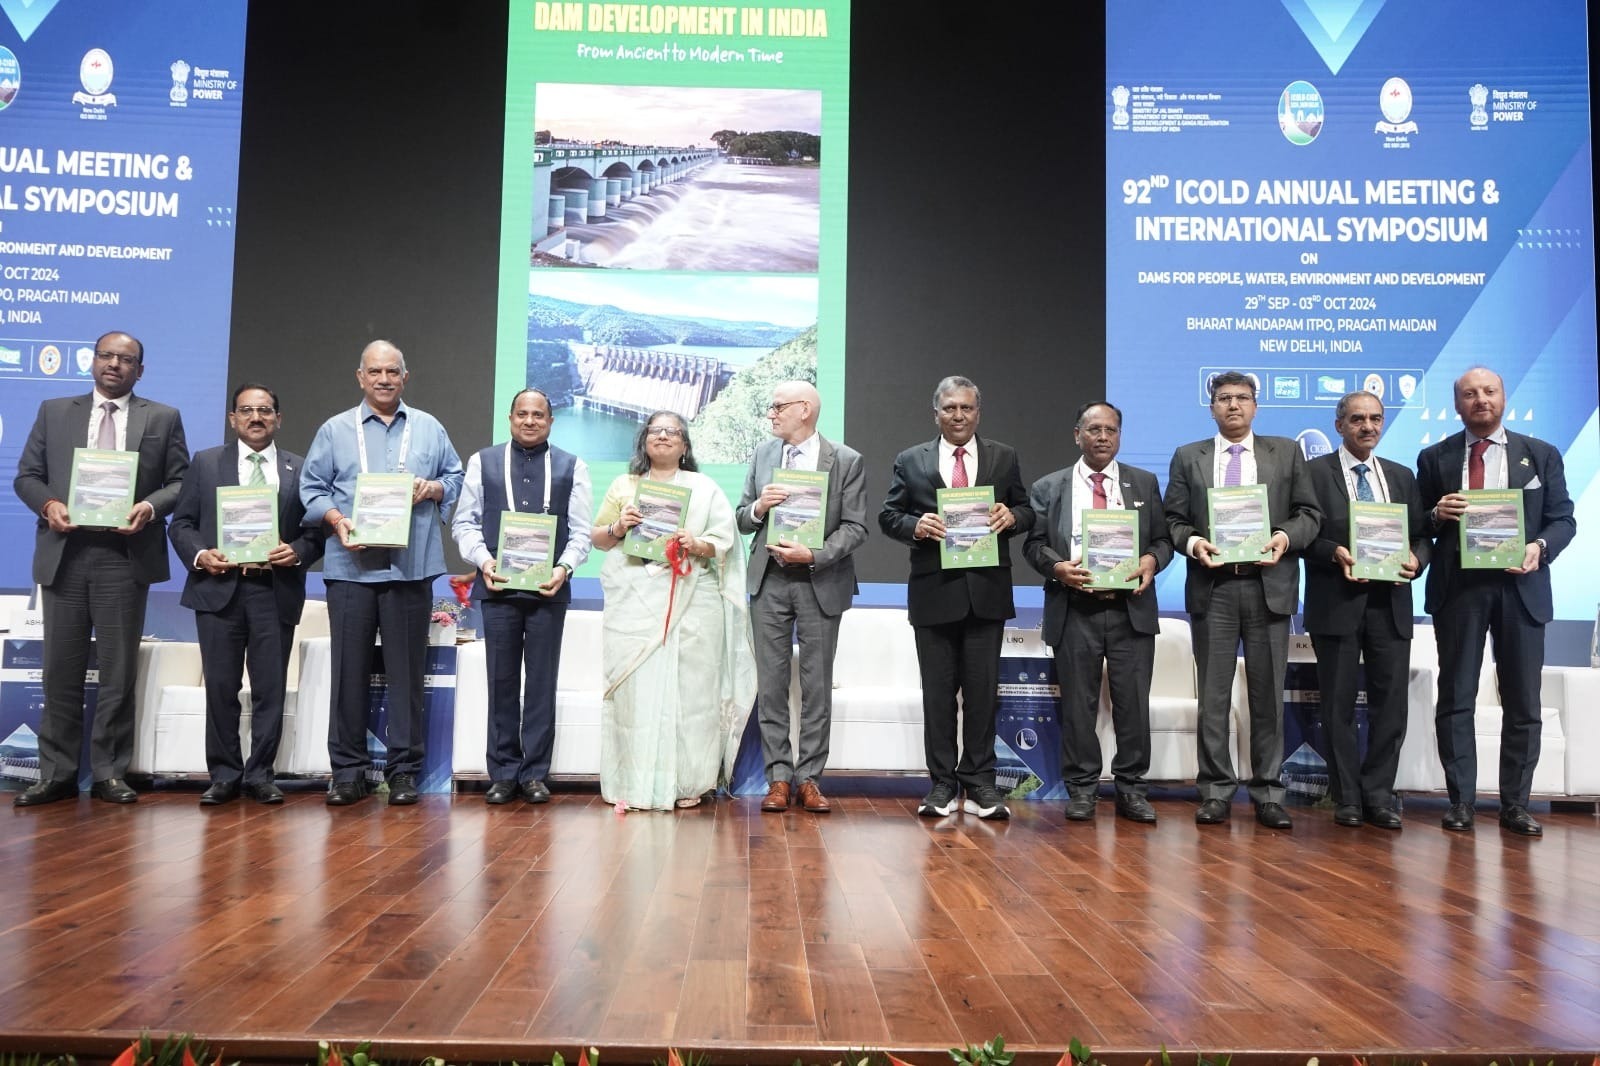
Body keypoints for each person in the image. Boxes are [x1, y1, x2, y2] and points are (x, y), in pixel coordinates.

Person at [12, 330, 189, 807]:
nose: (115, 364)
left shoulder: (163, 417)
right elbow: (27, 476)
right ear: (92, 361)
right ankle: (57, 774)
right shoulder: (54, 411)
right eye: (106, 356)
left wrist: (148, 508)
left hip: (124, 557)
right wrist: (49, 504)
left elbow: (180, 482)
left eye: (126, 359)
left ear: (140, 370)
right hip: (66, 553)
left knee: (117, 672)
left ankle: (110, 772)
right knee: (60, 671)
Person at [300, 340, 463, 807]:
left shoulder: (429, 427)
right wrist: (337, 520)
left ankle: (404, 772)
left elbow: (455, 478)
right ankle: (347, 773)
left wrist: (433, 488)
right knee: (348, 674)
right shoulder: (335, 430)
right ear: (360, 377)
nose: (384, 379)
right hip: (351, 568)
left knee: (407, 675)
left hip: (410, 569)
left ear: (405, 377)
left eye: (393, 371)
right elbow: (312, 489)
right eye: (375, 372)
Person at [1416, 366, 1575, 836]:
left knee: (1523, 701)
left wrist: (1539, 547)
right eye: (1470, 393)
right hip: (1459, 590)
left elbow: (1563, 519)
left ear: (1504, 398)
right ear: (1457, 404)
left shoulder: (1541, 454)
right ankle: (1461, 802)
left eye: (1489, 391)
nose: (1480, 399)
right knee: (1456, 697)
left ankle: (1516, 805)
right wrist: (1435, 514)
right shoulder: (1435, 457)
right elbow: (1416, 523)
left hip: (1520, 589)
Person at [1164, 371, 1320, 829]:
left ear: (1256, 405)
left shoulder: (1285, 452)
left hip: (1268, 585)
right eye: (1224, 398)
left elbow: (1309, 514)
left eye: (1242, 398)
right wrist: (1195, 543)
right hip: (1213, 587)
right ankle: (1215, 791)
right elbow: (1172, 520)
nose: (1233, 405)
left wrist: (1283, 538)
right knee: (1213, 697)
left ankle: (1268, 791)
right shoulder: (1188, 456)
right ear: (1211, 406)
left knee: (1267, 696)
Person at [879, 376, 1034, 820]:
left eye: (966, 408)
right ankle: (942, 784)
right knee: (939, 695)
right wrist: (915, 526)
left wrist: (1012, 517)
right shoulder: (911, 459)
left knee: (983, 696)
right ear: (936, 414)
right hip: (934, 593)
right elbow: (889, 515)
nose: (959, 415)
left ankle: (981, 784)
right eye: (950, 408)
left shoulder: (1004, 457)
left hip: (987, 593)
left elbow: (1027, 510)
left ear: (978, 412)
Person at [589, 411, 756, 811]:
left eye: (672, 432)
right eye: (655, 430)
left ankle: (687, 781)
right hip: (634, 603)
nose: (663, 436)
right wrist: (619, 527)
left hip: (694, 602)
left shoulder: (704, 488)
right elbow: (598, 539)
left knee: (692, 694)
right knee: (635, 695)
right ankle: (633, 783)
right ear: (644, 440)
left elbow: (724, 542)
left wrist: (695, 543)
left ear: (684, 445)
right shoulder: (624, 485)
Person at [168, 384, 325, 806]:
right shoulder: (205, 463)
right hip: (218, 588)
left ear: (278, 418)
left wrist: (298, 551)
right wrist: (201, 555)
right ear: (233, 418)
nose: (256, 417)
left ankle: (260, 774)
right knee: (221, 687)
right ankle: (223, 775)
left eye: (265, 410)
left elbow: (316, 532)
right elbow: (181, 524)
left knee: (269, 689)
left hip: (274, 590)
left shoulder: (300, 468)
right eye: (247, 410)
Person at [1023, 401, 1172, 823]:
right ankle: (1082, 789)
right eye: (1094, 429)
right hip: (1075, 609)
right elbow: (1033, 545)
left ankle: (1132, 790)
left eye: (1110, 429)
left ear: (1120, 435)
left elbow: (1162, 540)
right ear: (1077, 435)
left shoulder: (1143, 483)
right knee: (1078, 707)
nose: (1103, 437)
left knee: (1133, 706)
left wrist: (1151, 561)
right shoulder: (1049, 487)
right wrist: (1057, 568)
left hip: (1131, 609)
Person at [452, 388, 591, 805]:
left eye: (539, 415)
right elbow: (464, 523)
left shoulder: (573, 466)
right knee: (502, 682)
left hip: (549, 591)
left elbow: (581, 532)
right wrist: (484, 562)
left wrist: (563, 568)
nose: (530, 421)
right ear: (510, 418)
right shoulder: (483, 461)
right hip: (498, 589)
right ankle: (503, 773)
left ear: (551, 421)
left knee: (542, 683)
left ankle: (534, 774)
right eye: (522, 414)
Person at [736, 381, 868, 814]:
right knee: (771, 686)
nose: (771, 414)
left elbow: (856, 527)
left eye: (778, 407)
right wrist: (759, 507)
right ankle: (778, 778)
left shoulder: (845, 460)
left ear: (805, 409)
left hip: (819, 579)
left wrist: (815, 553)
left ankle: (810, 778)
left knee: (816, 686)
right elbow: (741, 519)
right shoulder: (763, 455)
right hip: (770, 579)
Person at [1303, 391, 1429, 830]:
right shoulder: (1313, 474)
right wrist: (1333, 552)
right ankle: (1347, 798)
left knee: (1390, 707)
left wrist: (1416, 559)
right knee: (1337, 707)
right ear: (1339, 425)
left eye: (1375, 418)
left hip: (1390, 605)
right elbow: (1302, 535)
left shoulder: (1401, 475)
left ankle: (1378, 796)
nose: (1367, 426)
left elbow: (1422, 535)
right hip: (1336, 602)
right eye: (1357, 419)